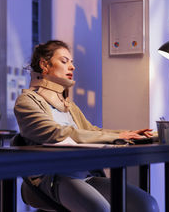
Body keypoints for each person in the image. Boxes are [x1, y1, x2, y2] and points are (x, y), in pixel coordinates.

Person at [14, 40, 159, 212]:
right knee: (100, 210)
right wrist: (117, 137)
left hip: (84, 174)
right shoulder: (26, 101)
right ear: (44, 65)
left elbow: (91, 132)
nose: (72, 67)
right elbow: (57, 134)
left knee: (147, 205)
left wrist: (128, 134)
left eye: (72, 62)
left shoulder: (69, 105)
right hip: (52, 177)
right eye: (64, 61)